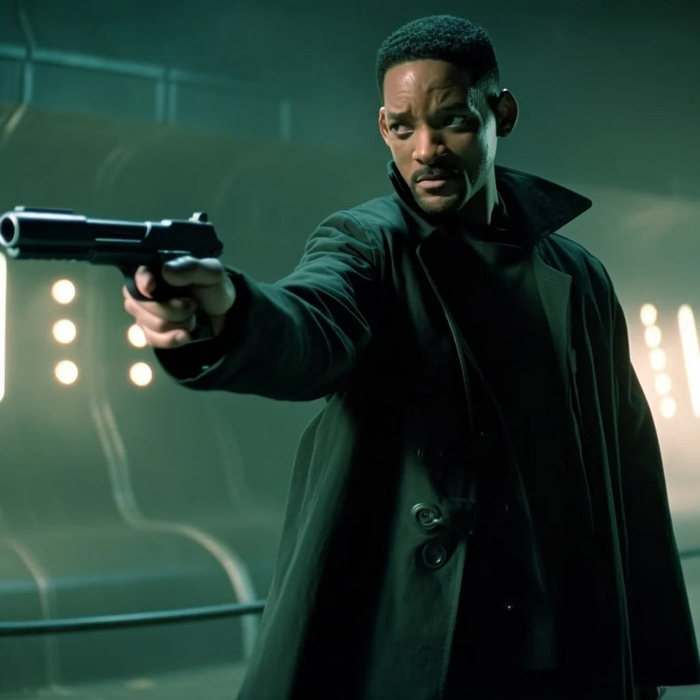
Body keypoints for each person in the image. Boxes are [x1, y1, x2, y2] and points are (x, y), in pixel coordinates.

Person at [122, 14, 699, 700]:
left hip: (566, 646)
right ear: (383, 128)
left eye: (451, 120)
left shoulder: (579, 275)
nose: (426, 149)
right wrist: (226, 313)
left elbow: (628, 464)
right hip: (433, 640)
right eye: (402, 128)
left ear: (501, 114)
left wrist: (648, 664)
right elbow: (311, 320)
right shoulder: (365, 245)